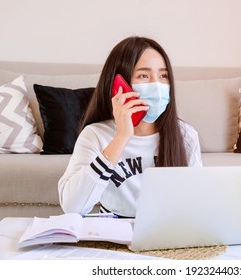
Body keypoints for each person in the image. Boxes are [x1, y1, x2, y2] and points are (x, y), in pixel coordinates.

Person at [58, 36, 202, 218]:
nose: (157, 85)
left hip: (166, 232)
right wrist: (122, 137)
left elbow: (196, 202)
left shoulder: (185, 134)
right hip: (113, 231)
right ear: (120, 85)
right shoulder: (95, 135)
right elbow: (72, 207)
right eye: (144, 75)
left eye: (163, 76)